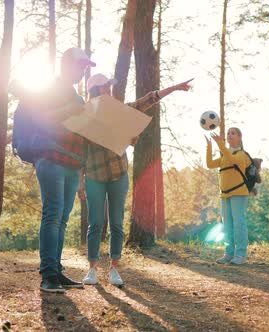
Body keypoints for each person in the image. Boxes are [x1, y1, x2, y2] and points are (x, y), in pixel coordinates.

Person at [82, 74, 192, 286]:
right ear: (96, 90)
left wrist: (175, 88)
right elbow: (80, 151)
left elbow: (148, 100)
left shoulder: (119, 112)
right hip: (94, 176)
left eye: (109, 87)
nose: (109, 90)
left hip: (118, 175)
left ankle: (114, 268)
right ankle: (92, 269)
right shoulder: (85, 116)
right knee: (95, 224)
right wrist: (79, 181)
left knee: (116, 223)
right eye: (105, 87)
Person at [28, 48, 95, 293]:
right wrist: (72, 111)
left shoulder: (75, 95)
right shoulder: (51, 88)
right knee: (53, 214)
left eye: (86, 67)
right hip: (51, 158)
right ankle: (48, 276)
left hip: (71, 163)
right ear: (66, 64)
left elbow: (79, 132)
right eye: (80, 65)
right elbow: (41, 119)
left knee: (63, 220)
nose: (83, 70)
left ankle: (56, 270)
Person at [205, 128, 251, 265]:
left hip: (238, 193)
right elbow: (209, 164)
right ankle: (229, 253)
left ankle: (241, 255)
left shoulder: (242, 155)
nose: (229, 135)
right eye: (228, 133)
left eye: (233, 133)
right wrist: (209, 147)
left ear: (240, 137)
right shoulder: (225, 155)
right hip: (224, 195)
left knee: (239, 225)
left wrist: (220, 144)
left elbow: (232, 160)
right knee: (227, 226)